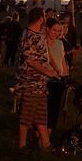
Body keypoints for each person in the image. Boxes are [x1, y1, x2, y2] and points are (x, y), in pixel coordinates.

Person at [15, 8, 53, 150]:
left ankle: (45, 144)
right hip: (30, 82)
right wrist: (47, 72)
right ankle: (22, 146)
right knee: (27, 115)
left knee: (41, 115)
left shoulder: (38, 35)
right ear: (40, 18)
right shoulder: (29, 36)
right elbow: (30, 60)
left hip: (40, 84)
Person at [45, 17, 69, 130]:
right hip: (46, 79)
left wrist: (65, 75)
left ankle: (49, 131)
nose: (56, 33)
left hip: (59, 80)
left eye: (59, 31)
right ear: (48, 29)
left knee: (55, 108)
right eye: (54, 30)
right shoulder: (43, 43)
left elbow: (62, 60)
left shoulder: (60, 43)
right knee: (45, 107)